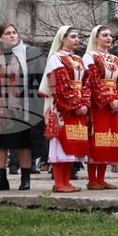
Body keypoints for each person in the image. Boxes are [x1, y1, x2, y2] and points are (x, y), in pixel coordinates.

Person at [0, 23, 45, 192]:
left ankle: (25, 179)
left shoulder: (29, 52)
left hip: (22, 106)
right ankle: (1, 179)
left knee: (23, 143)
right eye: (8, 33)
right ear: (0, 37)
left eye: (14, 32)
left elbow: (40, 78)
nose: (12, 35)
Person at [38, 26, 89, 193]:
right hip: (62, 108)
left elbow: (86, 83)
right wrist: (76, 104)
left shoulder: (78, 59)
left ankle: (67, 181)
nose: (77, 39)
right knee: (60, 144)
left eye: (78, 36)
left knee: (72, 145)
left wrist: (85, 104)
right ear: (63, 38)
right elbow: (59, 86)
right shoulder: (55, 58)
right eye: (73, 36)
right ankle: (58, 183)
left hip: (78, 106)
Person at [83, 25, 118, 190]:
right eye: (104, 35)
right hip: (99, 104)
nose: (109, 38)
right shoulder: (89, 56)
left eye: (110, 35)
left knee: (110, 140)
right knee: (97, 138)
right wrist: (109, 100)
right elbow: (93, 81)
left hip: (115, 105)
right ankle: (92, 180)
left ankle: (101, 179)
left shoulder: (116, 59)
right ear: (96, 38)